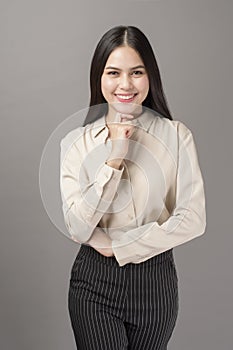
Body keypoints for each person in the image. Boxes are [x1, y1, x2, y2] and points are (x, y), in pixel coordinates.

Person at [60, 25, 206, 350]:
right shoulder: (76, 144)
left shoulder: (177, 137)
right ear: (99, 78)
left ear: (149, 76)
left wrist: (120, 246)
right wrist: (114, 160)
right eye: (113, 72)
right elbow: (77, 225)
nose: (125, 84)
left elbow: (193, 218)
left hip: (156, 282)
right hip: (94, 283)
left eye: (136, 72)